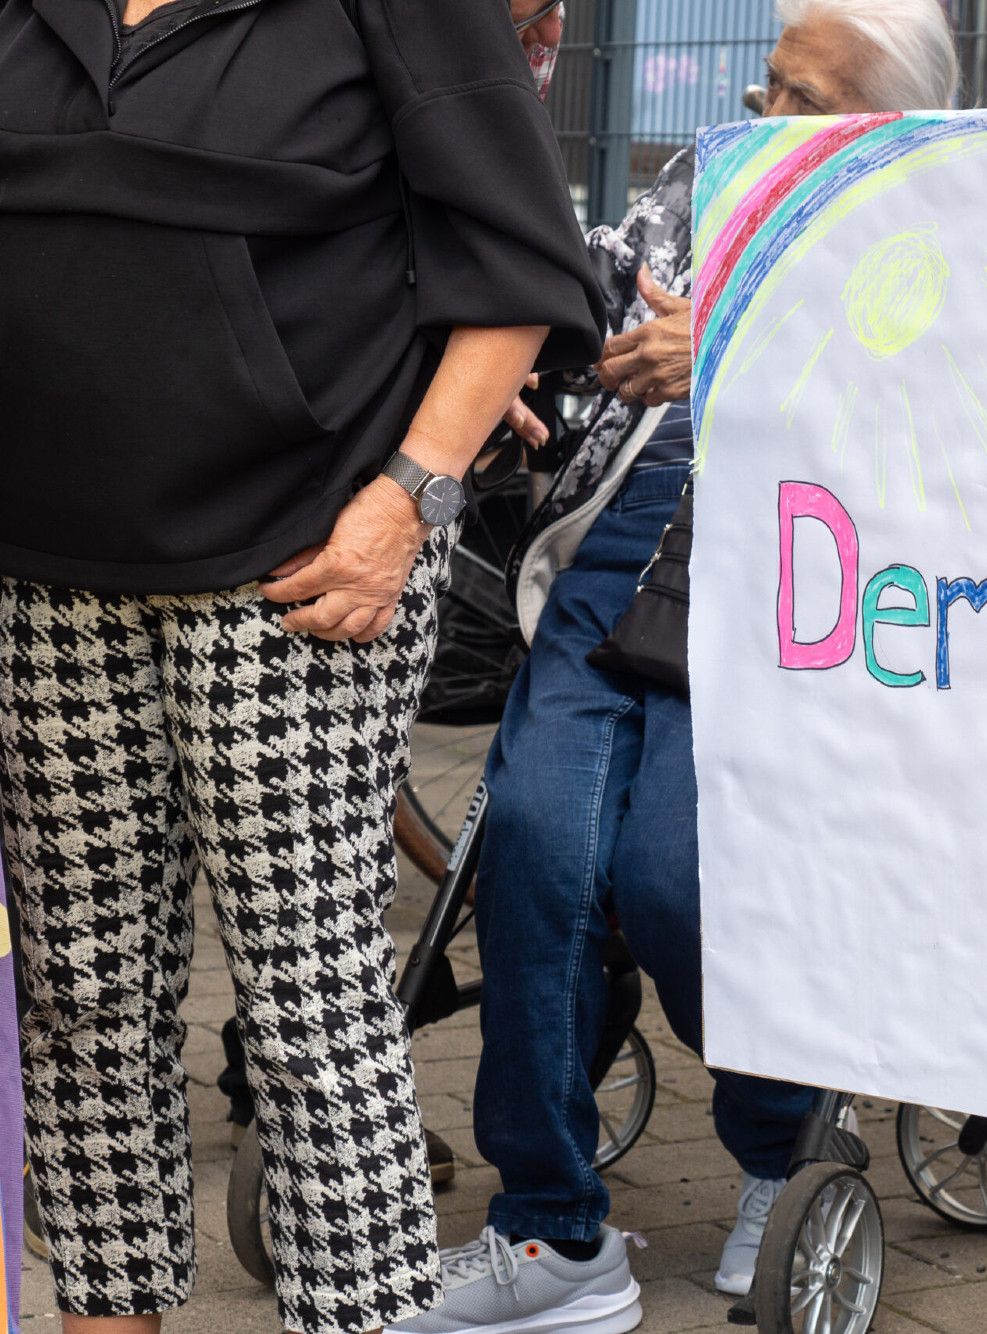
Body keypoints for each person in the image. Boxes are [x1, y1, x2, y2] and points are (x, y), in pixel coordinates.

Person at [0, 0, 602, 1329]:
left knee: (309, 1007)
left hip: (305, 561)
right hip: (42, 568)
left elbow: (517, 262)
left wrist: (409, 501)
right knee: (82, 1004)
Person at [391, 3, 962, 1331]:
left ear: (884, 126)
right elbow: (587, 300)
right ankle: (550, 1234)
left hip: (786, 576)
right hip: (615, 551)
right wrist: (552, 348)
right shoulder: (698, 178)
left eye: (802, 104)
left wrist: (721, 353)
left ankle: (785, 1134)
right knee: (534, 843)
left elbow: (930, 421)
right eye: (765, 88)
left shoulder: (927, 239)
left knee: (669, 873)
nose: (762, 122)